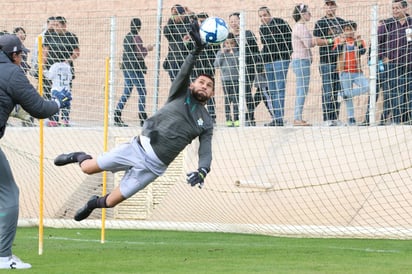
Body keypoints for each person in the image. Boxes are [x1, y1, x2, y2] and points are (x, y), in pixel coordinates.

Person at [53, 22, 214, 222]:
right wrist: (196, 50)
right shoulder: (179, 95)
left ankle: (92, 203)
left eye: (209, 86)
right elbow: (184, 72)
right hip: (136, 149)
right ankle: (77, 156)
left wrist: (203, 170)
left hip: (154, 168)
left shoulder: (206, 121)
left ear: (212, 93)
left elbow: (205, 150)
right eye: (201, 82)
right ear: (192, 85)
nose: (204, 86)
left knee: (111, 202)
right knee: (87, 168)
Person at [0, 34, 71, 269]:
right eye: (20, 55)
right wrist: (59, 102)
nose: (21, 59)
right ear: (13, 55)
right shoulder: (12, 73)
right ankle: (3, 256)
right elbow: (41, 109)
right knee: (9, 194)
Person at [114, 18, 154, 127]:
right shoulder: (137, 38)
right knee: (142, 92)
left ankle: (117, 114)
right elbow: (139, 53)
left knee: (126, 92)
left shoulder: (127, 37)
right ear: (139, 27)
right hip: (135, 68)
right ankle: (142, 117)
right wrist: (148, 49)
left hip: (126, 67)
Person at [378, 0, 412, 124]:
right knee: (395, 92)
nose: (395, 11)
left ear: (405, 9)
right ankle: (396, 121)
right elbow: (377, 42)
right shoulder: (387, 24)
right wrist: (383, 57)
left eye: (397, 8)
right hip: (392, 65)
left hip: (409, 65)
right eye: (393, 8)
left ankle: (408, 120)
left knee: (409, 92)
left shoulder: (411, 24)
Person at [258, 7, 292, 127]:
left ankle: (279, 119)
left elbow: (289, 39)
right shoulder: (262, 29)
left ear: (269, 14)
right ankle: (276, 118)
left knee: (280, 89)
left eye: (265, 15)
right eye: (260, 16)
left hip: (281, 60)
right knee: (272, 90)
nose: (263, 18)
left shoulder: (280, 22)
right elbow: (265, 46)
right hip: (268, 62)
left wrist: (287, 55)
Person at [313, 0, 346, 126]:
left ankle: (335, 117)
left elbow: (347, 36)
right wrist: (333, 40)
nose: (330, 7)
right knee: (327, 90)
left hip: (339, 61)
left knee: (338, 90)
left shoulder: (342, 22)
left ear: (336, 7)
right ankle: (327, 118)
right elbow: (317, 41)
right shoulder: (320, 23)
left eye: (332, 4)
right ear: (324, 7)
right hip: (326, 61)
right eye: (327, 5)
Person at [43, 16, 79, 127]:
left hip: (65, 70)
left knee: (65, 93)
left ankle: (65, 118)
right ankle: (53, 118)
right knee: (53, 95)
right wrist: (43, 67)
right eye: (54, 25)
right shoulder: (49, 35)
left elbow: (76, 52)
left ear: (64, 25)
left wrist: (67, 61)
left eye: (57, 25)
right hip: (52, 69)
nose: (55, 27)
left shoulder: (71, 37)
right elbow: (45, 52)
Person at [333, 20, 368, 125]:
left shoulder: (358, 40)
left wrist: (358, 43)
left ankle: (344, 94)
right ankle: (351, 117)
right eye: (347, 29)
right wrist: (342, 42)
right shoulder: (339, 40)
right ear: (344, 30)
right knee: (349, 98)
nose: (350, 32)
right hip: (344, 71)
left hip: (357, 71)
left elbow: (363, 52)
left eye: (352, 29)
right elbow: (335, 52)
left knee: (366, 87)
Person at [229, 12, 260, 126]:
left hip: (248, 67)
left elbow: (255, 51)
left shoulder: (247, 34)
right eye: (231, 21)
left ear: (241, 21)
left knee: (247, 92)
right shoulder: (229, 37)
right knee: (235, 94)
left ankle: (250, 117)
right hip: (234, 70)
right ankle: (237, 118)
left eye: (236, 21)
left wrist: (258, 65)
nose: (234, 23)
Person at [191, 12, 219, 124]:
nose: (201, 23)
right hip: (196, 68)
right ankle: (194, 117)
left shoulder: (213, 34)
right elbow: (189, 49)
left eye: (204, 21)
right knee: (195, 92)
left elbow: (217, 50)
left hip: (208, 68)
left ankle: (212, 117)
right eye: (200, 21)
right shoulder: (194, 34)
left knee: (209, 92)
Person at [214, 33, 240, 127]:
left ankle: (237, 119)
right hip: (225, 79)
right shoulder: (220, 52)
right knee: (228, 99)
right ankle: (228, 119)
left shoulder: (238, 52)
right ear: (224, 44)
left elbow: (239, 65)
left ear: (235, 44)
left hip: (236, 79)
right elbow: (216, 65)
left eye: (231, 43)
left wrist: (233, 55)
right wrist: (222, 53)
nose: (229, 46)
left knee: (236, 99)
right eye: (227, 43)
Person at [163, 4, 192, 82]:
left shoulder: (188, 25)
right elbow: (166, 33)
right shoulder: (171, 25)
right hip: (173, 60)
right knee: (175, 84)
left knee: (186, 84)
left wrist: (191, 14)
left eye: (176, 14)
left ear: (182, 14)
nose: (174, 16)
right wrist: (171, 19)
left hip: (186, 59)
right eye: (172, 14)